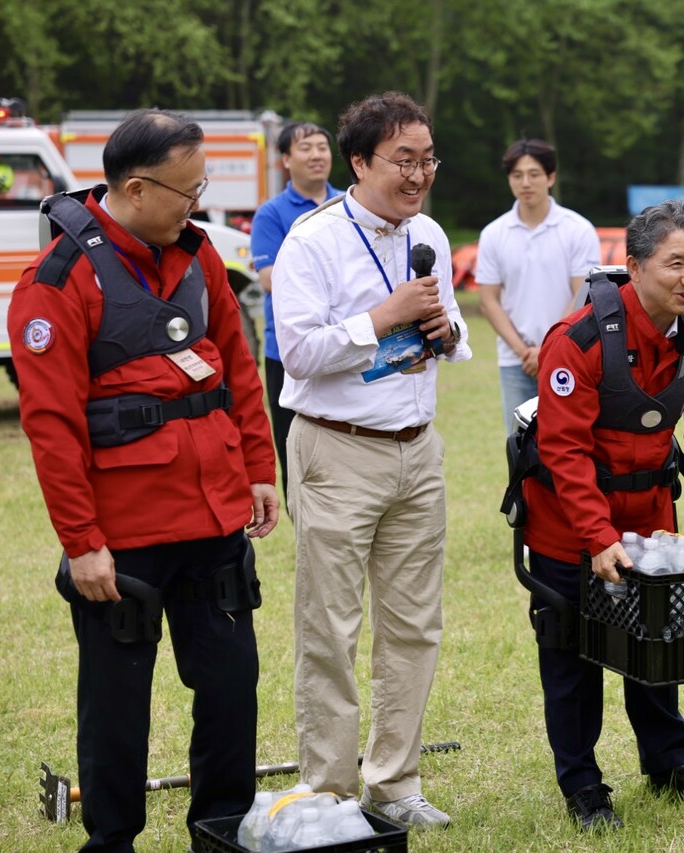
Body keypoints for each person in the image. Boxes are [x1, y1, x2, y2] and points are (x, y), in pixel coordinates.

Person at [7, 109, 280, 852]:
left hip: (215, 523)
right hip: (122, 543)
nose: (198, 205)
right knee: (116, 706)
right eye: (188, 192)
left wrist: (260, 468)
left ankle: (222, 832)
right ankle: (112, 841)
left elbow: (238, 370)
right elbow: (53, 427)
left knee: (231, 691)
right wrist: (82, 542)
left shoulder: (199, 261)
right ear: (134, 187)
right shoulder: (57, 281)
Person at [271, 91, 471, 829]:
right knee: (330, 626)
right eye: (403, 161)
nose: (418, 175)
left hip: (418, 450)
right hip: (336, 450)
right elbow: (298, 352)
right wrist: (380, 318)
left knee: (415, 625)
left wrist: (442, 331)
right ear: (359, 162)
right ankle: (328, 790)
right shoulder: (312, 241)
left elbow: (442, 332)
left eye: (427, 160)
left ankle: (396, 783)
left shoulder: (432, 235)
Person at [523, 200, 684, 830]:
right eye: (675, 263)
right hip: (568, 529)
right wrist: (595, 537)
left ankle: (670, 767)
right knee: (572, 661)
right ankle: (584, 790)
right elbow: (563, 451)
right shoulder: (579, 339)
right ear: (635, 264)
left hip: (651, 524)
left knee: (657, 652)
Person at [475, 139, 601, 435]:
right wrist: (524, 351)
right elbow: (488, 301)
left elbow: (582, 295)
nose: (525, 182)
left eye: (534, 174)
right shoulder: (494, 234)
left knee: (570, 440)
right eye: (517, 175)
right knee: (520, 448)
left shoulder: (577, 229)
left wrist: (549, 349)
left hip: (570, 355)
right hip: (515, 360)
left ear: (551, 177)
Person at [250, 120, 341, 500]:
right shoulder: (271, 215)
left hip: (345, 346)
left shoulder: (350, 204)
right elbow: (272, 280)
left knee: (345, 448)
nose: (317, 154)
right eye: (306, 148)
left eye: (322, 146)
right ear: (286, 159)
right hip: (288, 353)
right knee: (295, 450)